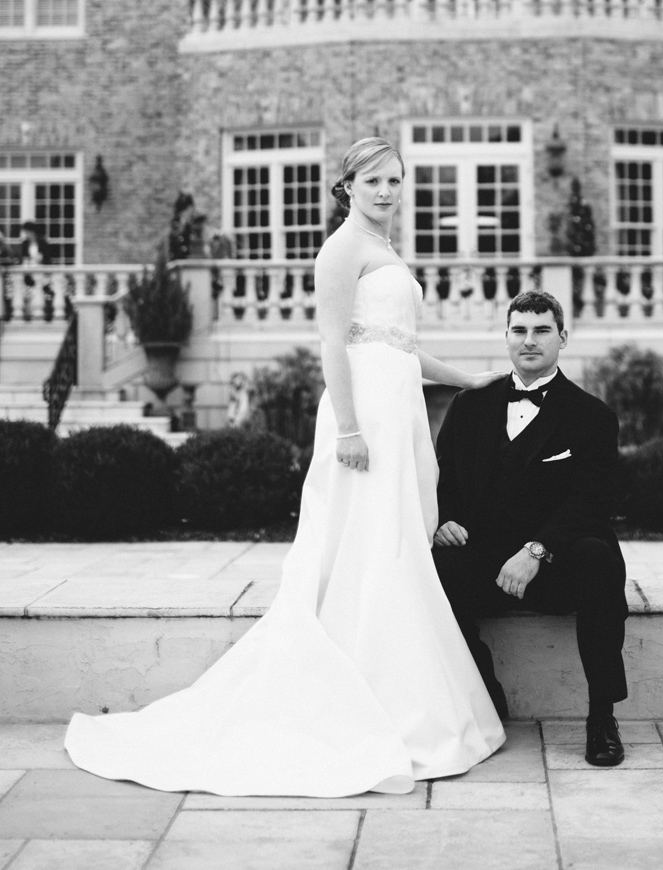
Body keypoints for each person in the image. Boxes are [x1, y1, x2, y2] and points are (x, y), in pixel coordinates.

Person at [65, 137, 506, 796]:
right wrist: (351, 430)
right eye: (373, 181)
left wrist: (466, 380)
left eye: (394, 180)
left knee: (399, 542)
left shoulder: (388, 252)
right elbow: (334, 344)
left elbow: (402, 347)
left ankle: (402, 687)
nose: (386, 191)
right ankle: (362, 699)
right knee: (365, 547)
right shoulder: (341, 250)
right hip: (364, 418)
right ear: (348, 187)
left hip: (401, 408)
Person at [433, 289, 629, 767]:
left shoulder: (593, 416)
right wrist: (443, 520)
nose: (529, 340)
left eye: (542, 330)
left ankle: (602, 717)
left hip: (558, 564)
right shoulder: (468, 406)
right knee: (435, 565)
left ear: (563, 338)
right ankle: (486, 694)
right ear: (505, 337)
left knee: (599, 560)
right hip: (487, 563)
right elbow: (442, 474)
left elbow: (594, 501)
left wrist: (538, 550)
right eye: (519, 330)